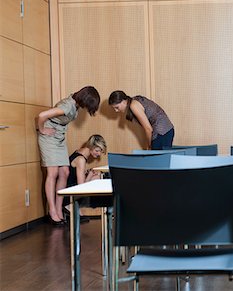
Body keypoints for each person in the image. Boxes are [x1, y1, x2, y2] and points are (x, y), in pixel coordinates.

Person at [36, 86, 100, 226]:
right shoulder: (66, 106)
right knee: (52, 173)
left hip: (59, 137)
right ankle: (52, 212)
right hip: (49, 138)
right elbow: (42, 116)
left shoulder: (75, 102)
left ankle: (60, 210)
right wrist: (42, 130)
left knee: (64, 172)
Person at [108, 90, 174, 150]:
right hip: (166, 130)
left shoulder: (133, 106)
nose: (116, 110)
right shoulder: (134, 100)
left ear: (123, 101)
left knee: (158, 160)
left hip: (162, 132)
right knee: (161, 160)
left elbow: (148, 129)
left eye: (117, 107)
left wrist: (149, 145)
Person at [63, 134, 107, 223]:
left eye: (100, 151)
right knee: (97, 178)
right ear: (91, 146)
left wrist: (88, 173)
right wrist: (90, 175)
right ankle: (69, 205)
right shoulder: (81, 159)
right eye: (97, 150)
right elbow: (81, 186)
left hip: (67, 187)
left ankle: (75, 207)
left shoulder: (79, 153)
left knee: (97, 176)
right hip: (66, 194)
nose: (98, 154)